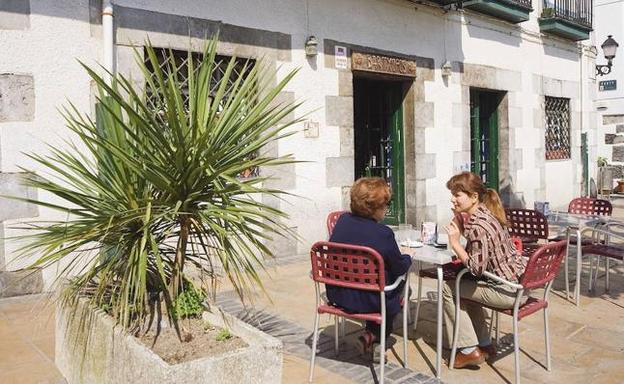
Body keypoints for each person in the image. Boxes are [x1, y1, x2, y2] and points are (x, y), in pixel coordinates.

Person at [442, 172, 526, 368]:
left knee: (448, 289)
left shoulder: (479, 225)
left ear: (474, 197)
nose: (453, 199)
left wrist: (455, 243)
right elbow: (480, 248)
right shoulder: (487, 214)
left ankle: (468, 350)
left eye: (457, 195)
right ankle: (485, 345)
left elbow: (475, 269)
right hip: (519, 284)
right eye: (452, 195)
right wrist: (460, 222)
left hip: (508, 291)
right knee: (465, 287)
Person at [327, 177, 412, 359]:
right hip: (369, 300)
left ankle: (369, 335)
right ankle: (377, 338)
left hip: (338, 294)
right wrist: (408, 256)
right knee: (400, 288)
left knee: (380, 284)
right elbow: (399, 268)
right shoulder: (383, 234)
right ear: (375, 207)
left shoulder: (342, 222)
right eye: (386, 204)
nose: (387, 208)